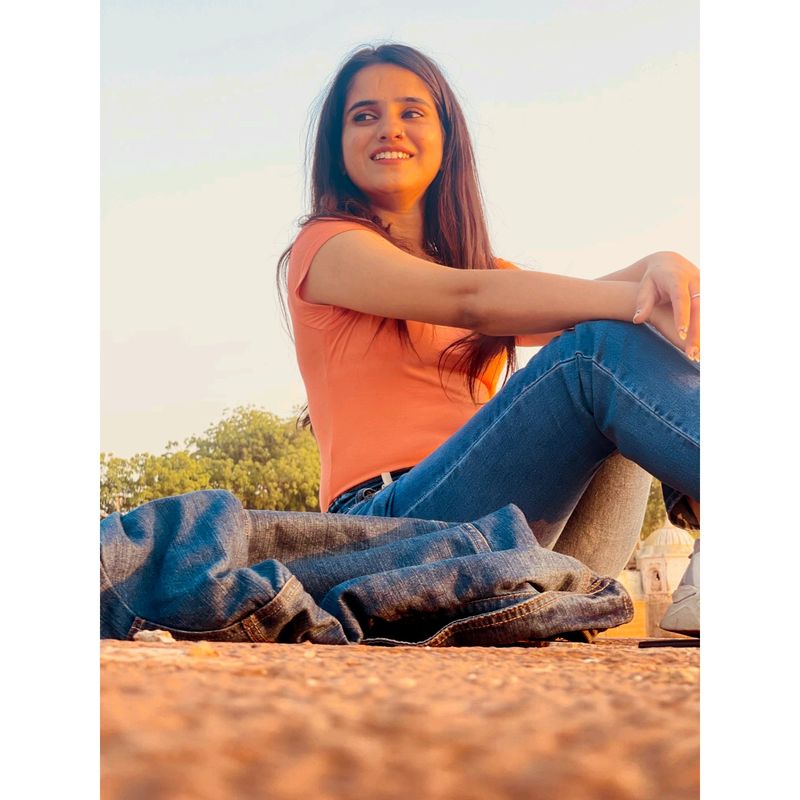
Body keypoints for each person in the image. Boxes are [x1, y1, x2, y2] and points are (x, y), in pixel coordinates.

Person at [277, 44, 700, 635]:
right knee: (600, 349)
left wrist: (663, 268)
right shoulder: (326, 247)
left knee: (628, 354)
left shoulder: (479, 267)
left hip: (514, 538)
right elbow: (466, 300)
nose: (388, 129)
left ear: (447, 137)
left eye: (412, 112)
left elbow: (578, 305)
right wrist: (646, 301)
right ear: (337, 144)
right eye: (364, 115)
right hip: (390, 529)